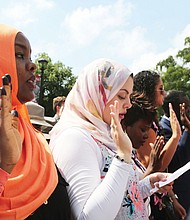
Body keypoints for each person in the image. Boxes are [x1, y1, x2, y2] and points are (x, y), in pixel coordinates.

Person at [49, 58, 173, 220]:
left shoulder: (103, 136)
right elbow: (88, 217)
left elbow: (117, 196)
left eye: (129, 97)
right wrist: (122, 156)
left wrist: (146, 185)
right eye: (122, 96)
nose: (128, 104)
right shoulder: (75, 138)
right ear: (96, 94)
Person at [0, 23, 70, 219]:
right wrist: (5, 167)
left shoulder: (35, 139)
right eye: (19, 55)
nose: (32, 65)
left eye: (30, 57)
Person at [160, 90, 190, 214]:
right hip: (178, 193)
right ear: (174, 108)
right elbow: (177, 161)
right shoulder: (163, 129)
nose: (189, 110)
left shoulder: (183, 124)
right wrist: (187, 130)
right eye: (186, 107)